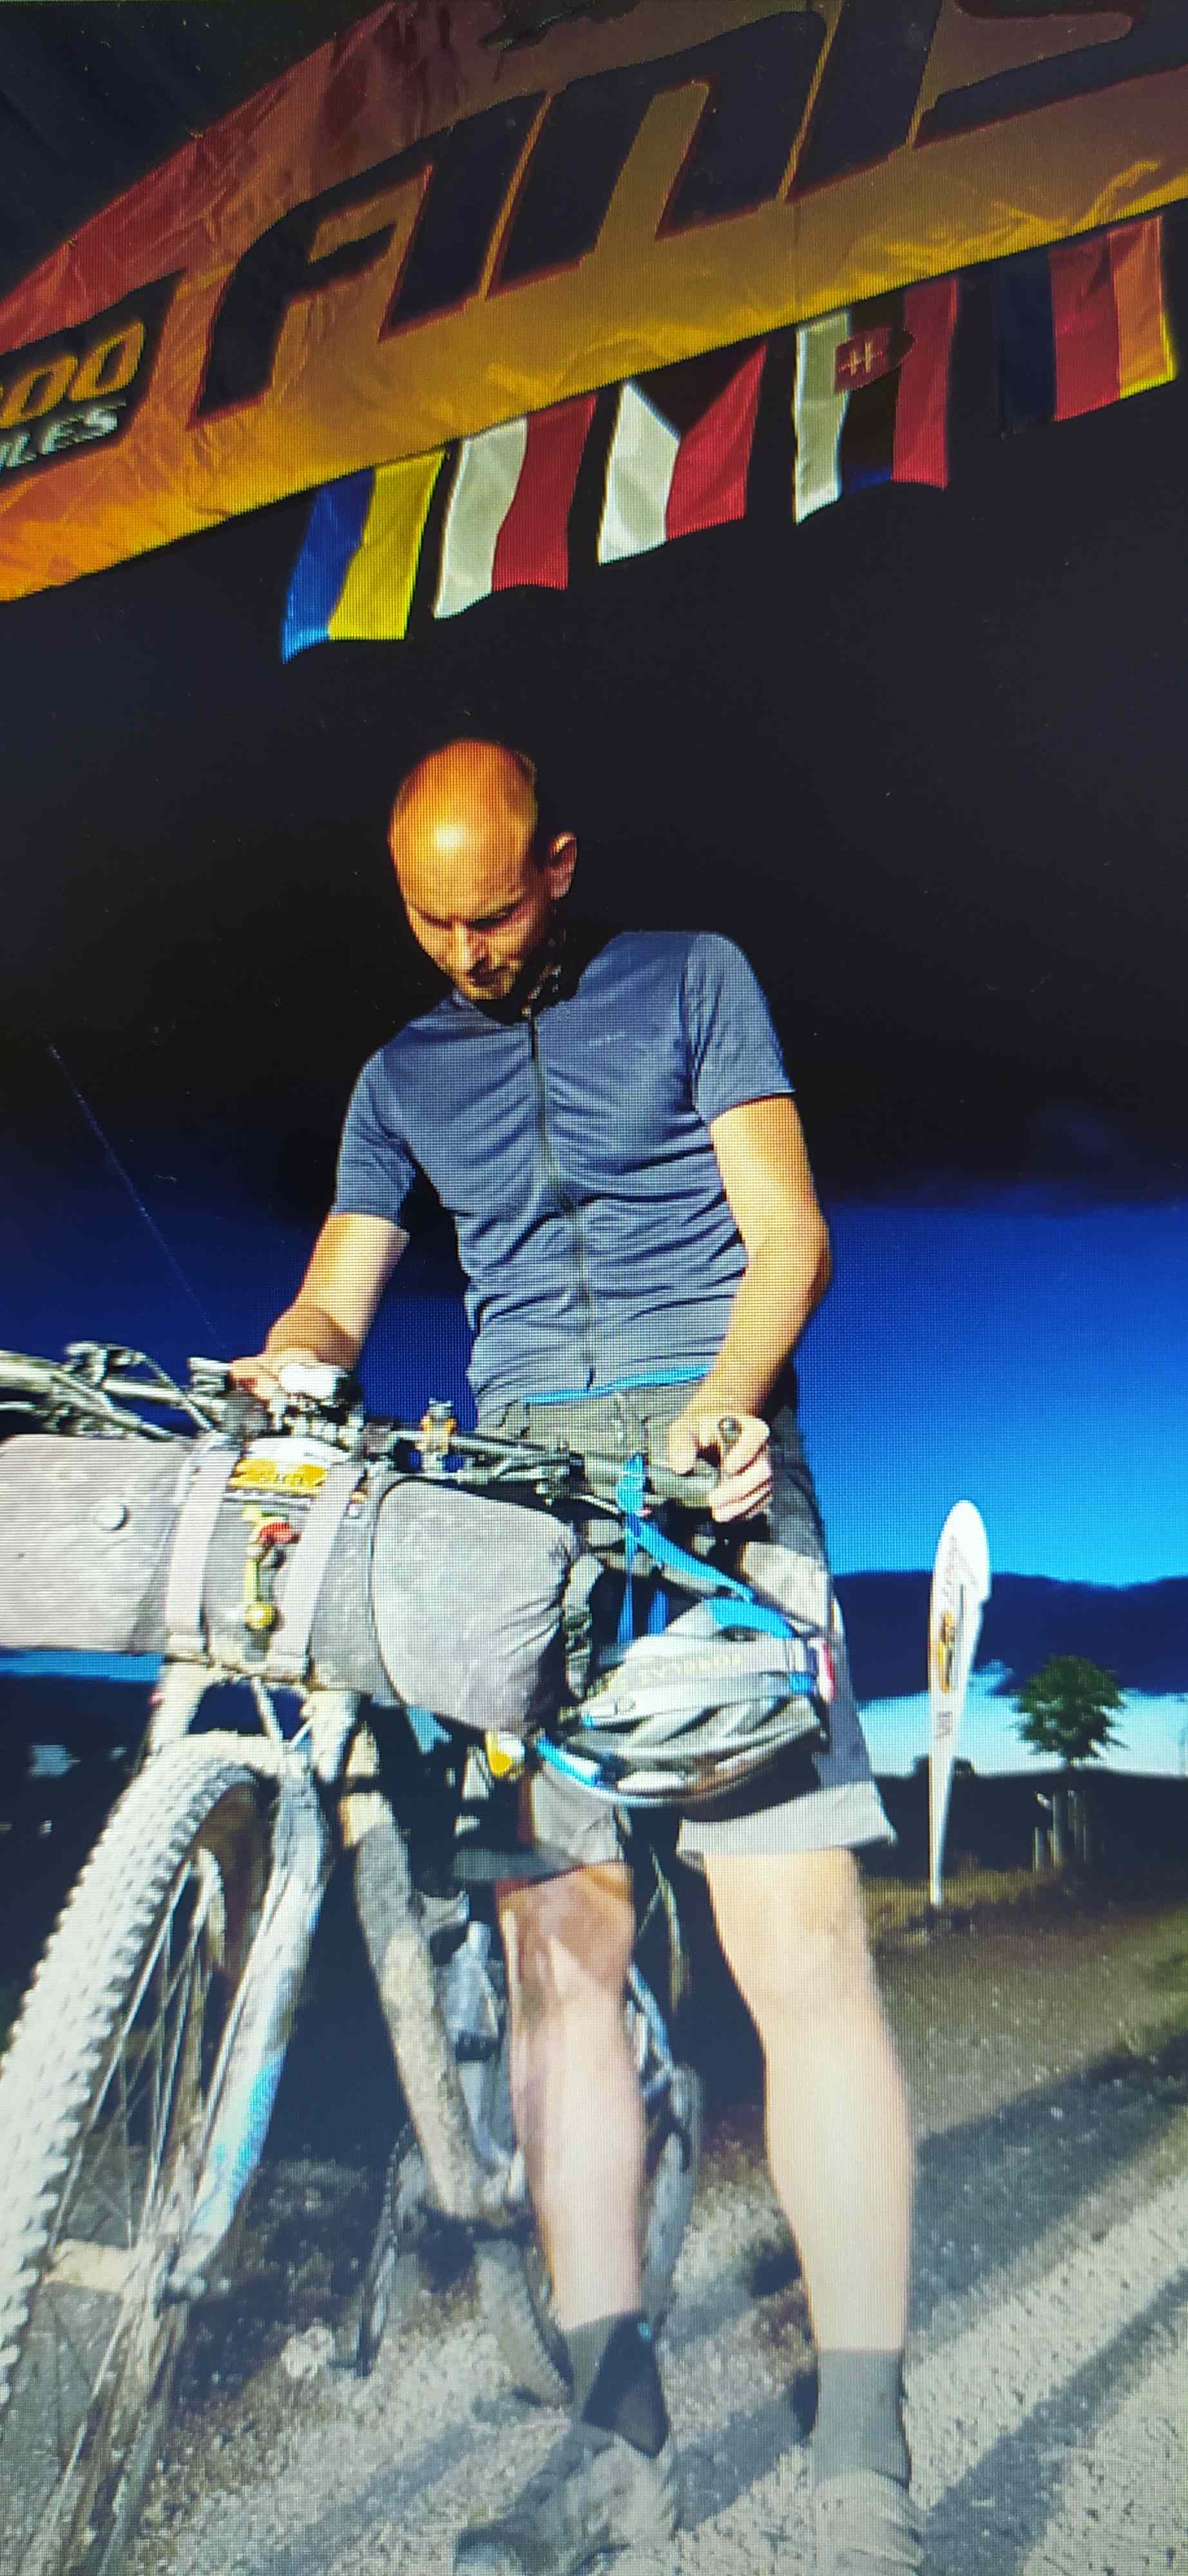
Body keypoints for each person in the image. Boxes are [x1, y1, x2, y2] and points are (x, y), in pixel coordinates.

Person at [234, 740, 921, 2576]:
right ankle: (613, 2441)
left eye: (492, 911)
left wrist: (728, 1399)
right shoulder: (400, 1076)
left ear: (556, 866)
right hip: (521, 1514)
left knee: (799, 1951)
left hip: (711, 1478)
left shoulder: (692, 980)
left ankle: (863, 2459)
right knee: (557, 1970)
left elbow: (788, 1235)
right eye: (427, 920)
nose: (464, 952)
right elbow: (338, 1291)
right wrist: (295, 1356)